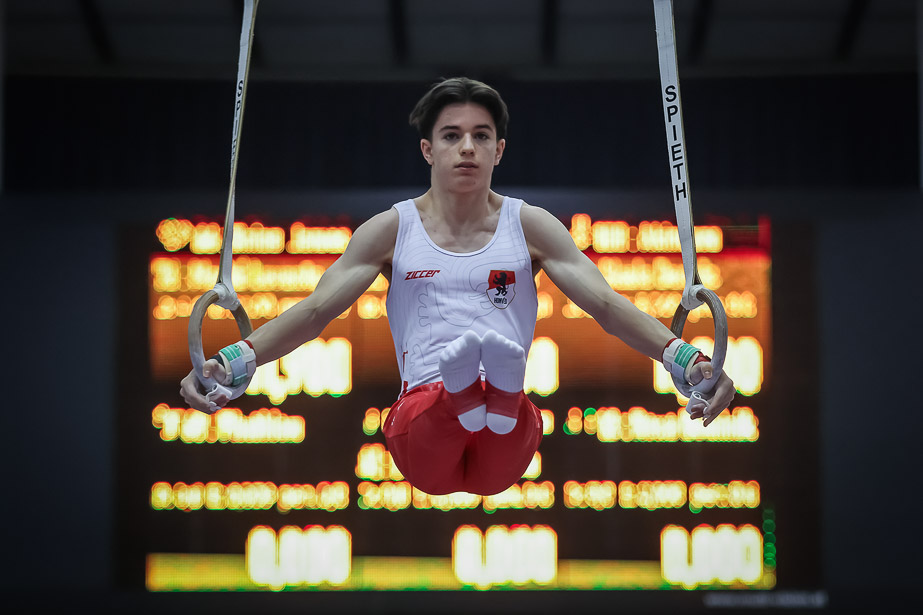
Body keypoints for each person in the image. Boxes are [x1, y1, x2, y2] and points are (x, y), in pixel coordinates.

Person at [180, 77, 736, 497]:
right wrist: (229, 361)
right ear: (428, 149)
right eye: (452, 136)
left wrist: (687, 360)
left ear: (499, 150)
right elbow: (315, 311)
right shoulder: (391, 230)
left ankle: (492, 390)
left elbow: (608, 306)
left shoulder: (531, 226)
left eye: (480, 136)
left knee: (509, 425)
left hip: (503, 430)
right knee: (446, 414)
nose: (467, 147)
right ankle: (465, 391)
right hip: (421, 409)